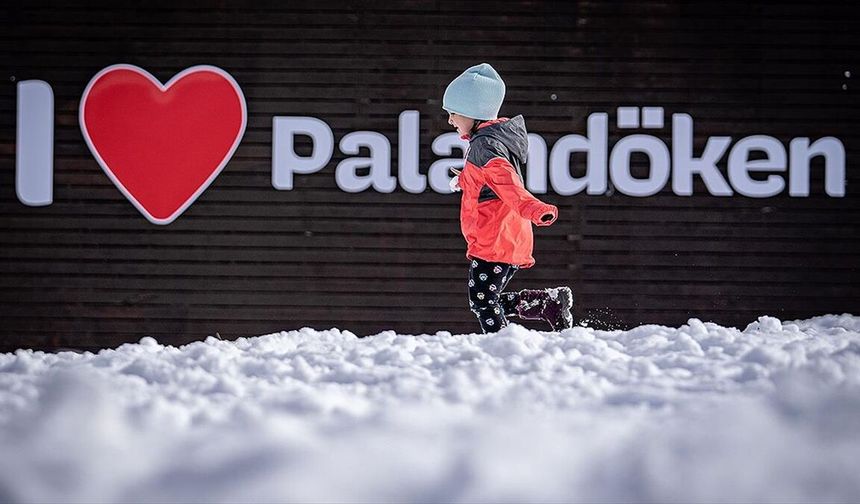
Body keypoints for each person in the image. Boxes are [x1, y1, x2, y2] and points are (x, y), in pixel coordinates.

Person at [443, 63, 574, 333]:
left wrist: (535, 208)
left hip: (496, 236)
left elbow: (508, 184)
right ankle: (546, 304)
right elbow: (487, 180)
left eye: (453, 113)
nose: (450, 120)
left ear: (472, 112)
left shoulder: (485, 146)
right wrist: (464, 180)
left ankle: (500, 343)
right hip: (503, 234)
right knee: (484, 299)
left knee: (482, 301)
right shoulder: (489, 141)